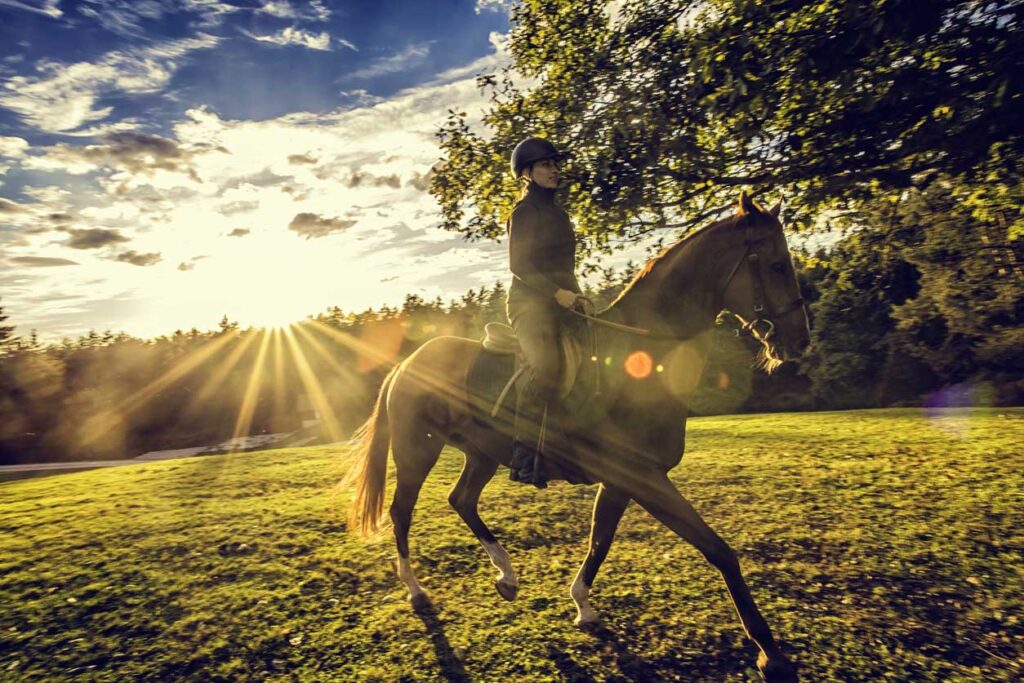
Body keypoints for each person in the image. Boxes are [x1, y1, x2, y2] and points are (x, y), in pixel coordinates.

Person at [505, 137, 592, 487]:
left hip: (563, 302)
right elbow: (519, 265)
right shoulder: (524, 212)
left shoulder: (559, 214)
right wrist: (557, 293)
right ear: (526, 173)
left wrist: (578, 296)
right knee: (546, 367)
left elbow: (564, 268)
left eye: (555, 164)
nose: (554, 170)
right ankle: (524, 457)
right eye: (545, 165)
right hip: (529, 307)